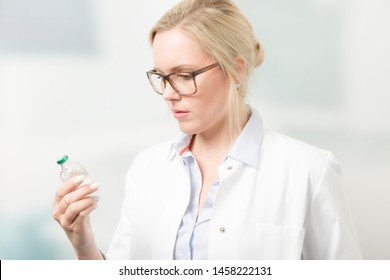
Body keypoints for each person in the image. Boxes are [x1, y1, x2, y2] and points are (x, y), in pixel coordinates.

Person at [53, 0, 362, 260]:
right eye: (161, 77)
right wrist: (84, 245)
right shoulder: (147, 168)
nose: (168, 93)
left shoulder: (309, 170)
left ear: (237, 68)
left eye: (184, 75)